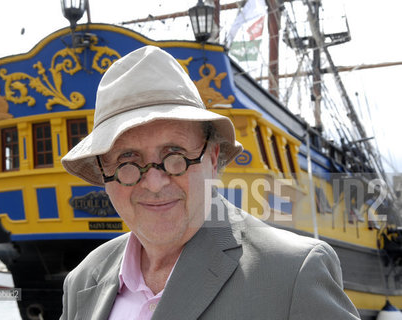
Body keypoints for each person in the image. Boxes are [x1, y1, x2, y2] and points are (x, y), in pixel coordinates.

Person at [60, 45, 360, 320]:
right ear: (103, 172)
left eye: (175, 155)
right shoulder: (84, 280)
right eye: (127, 162)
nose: (153, 182)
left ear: (213, 158)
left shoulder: (292, 272)